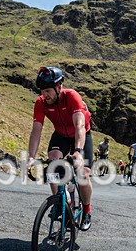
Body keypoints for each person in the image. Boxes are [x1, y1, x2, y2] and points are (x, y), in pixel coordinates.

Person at [27, 66, 93, 230]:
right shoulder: (41, 102)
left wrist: (78, 152)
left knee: (83, 173)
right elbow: (36, 130)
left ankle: (86, 210)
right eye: (42, 91)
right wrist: (30, 157)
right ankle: (60, 199)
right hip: (61, 135)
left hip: (81, 134)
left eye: (48, 91)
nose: (45, 95)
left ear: (59, 87)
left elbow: (79, 126)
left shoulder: (71, 97)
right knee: (53, 162)